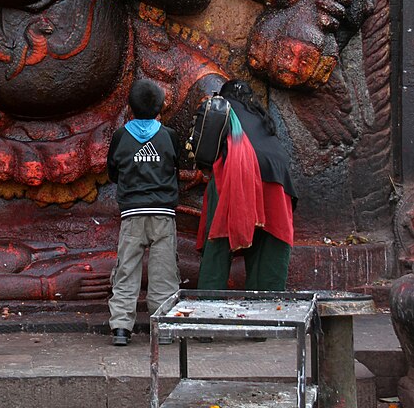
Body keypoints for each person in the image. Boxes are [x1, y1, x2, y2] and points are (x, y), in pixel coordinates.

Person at [196, 79, 296, 291]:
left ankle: (210, 301)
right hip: (278, 181)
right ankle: (267, 303)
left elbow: (203, 156)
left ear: (223, 96)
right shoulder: (259, 115)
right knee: (269, 245)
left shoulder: (219, 110)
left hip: (237, 173)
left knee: (218, 243)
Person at [107, 79, 180, 346]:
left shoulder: (120, 136)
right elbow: (176, 166)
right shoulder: (169, 136)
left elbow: (113, 173)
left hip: (132, 214)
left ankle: (121, 329)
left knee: (126, 270)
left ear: (130, 107)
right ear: (160, 108)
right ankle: (164, 326)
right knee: (164, 272)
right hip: (163, 213)